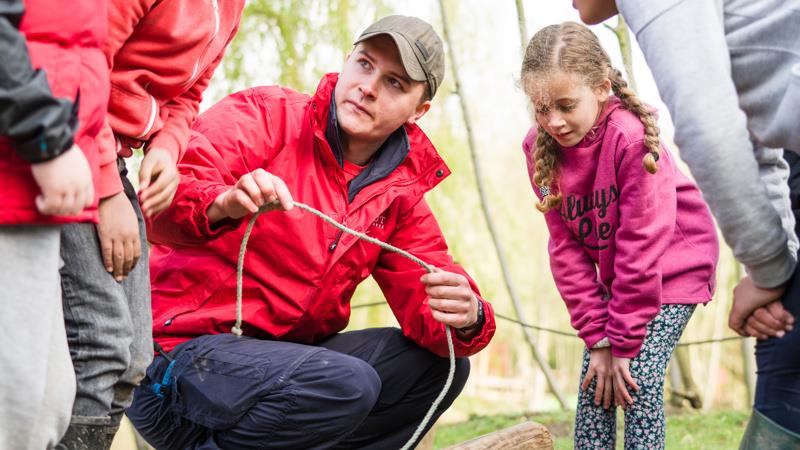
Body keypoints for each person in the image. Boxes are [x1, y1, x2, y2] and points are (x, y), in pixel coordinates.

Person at [126, 15, 496, 449]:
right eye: (364, 64)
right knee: (345, 384)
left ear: (419, 111)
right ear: (346, 61)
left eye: (395, 83)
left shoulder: (400, 196)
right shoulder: (266, 115)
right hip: (175, 360)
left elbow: (433, 303)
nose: (368, 86)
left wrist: (470, 317)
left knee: (434, 370)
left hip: (285, 375)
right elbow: (158, 206)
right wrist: (222, 203)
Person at [570, 0, 800, 446]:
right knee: (784, 349)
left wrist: (770, 270)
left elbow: (709, 131)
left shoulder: (628, 136)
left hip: (673, 276)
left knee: (784, 360)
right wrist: (774, 271)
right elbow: (761, 143)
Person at [56, 0, 247, 447]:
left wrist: (166, 148)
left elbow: (188, 95)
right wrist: (105, 191)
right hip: (69, 142)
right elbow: (78, 63)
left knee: (133, 359)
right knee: (101, 346)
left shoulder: (234, 8)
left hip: (116, 156)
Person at [520, 22, 719, 449]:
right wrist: (598, 336)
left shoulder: (629, 139)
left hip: (673, 268)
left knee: (636, 381)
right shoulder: (539, 149)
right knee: (597, 382)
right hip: (624, 277)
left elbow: (642, 246)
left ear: (601, 88)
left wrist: (623, 340)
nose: (552, 121)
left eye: (565, 105)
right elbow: (566, 250)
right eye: (540, 108)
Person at [0, 0, 109, 448]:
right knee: (15, 405)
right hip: (20, 166)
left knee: (46, 407)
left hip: (39, 193)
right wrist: (46, 137)